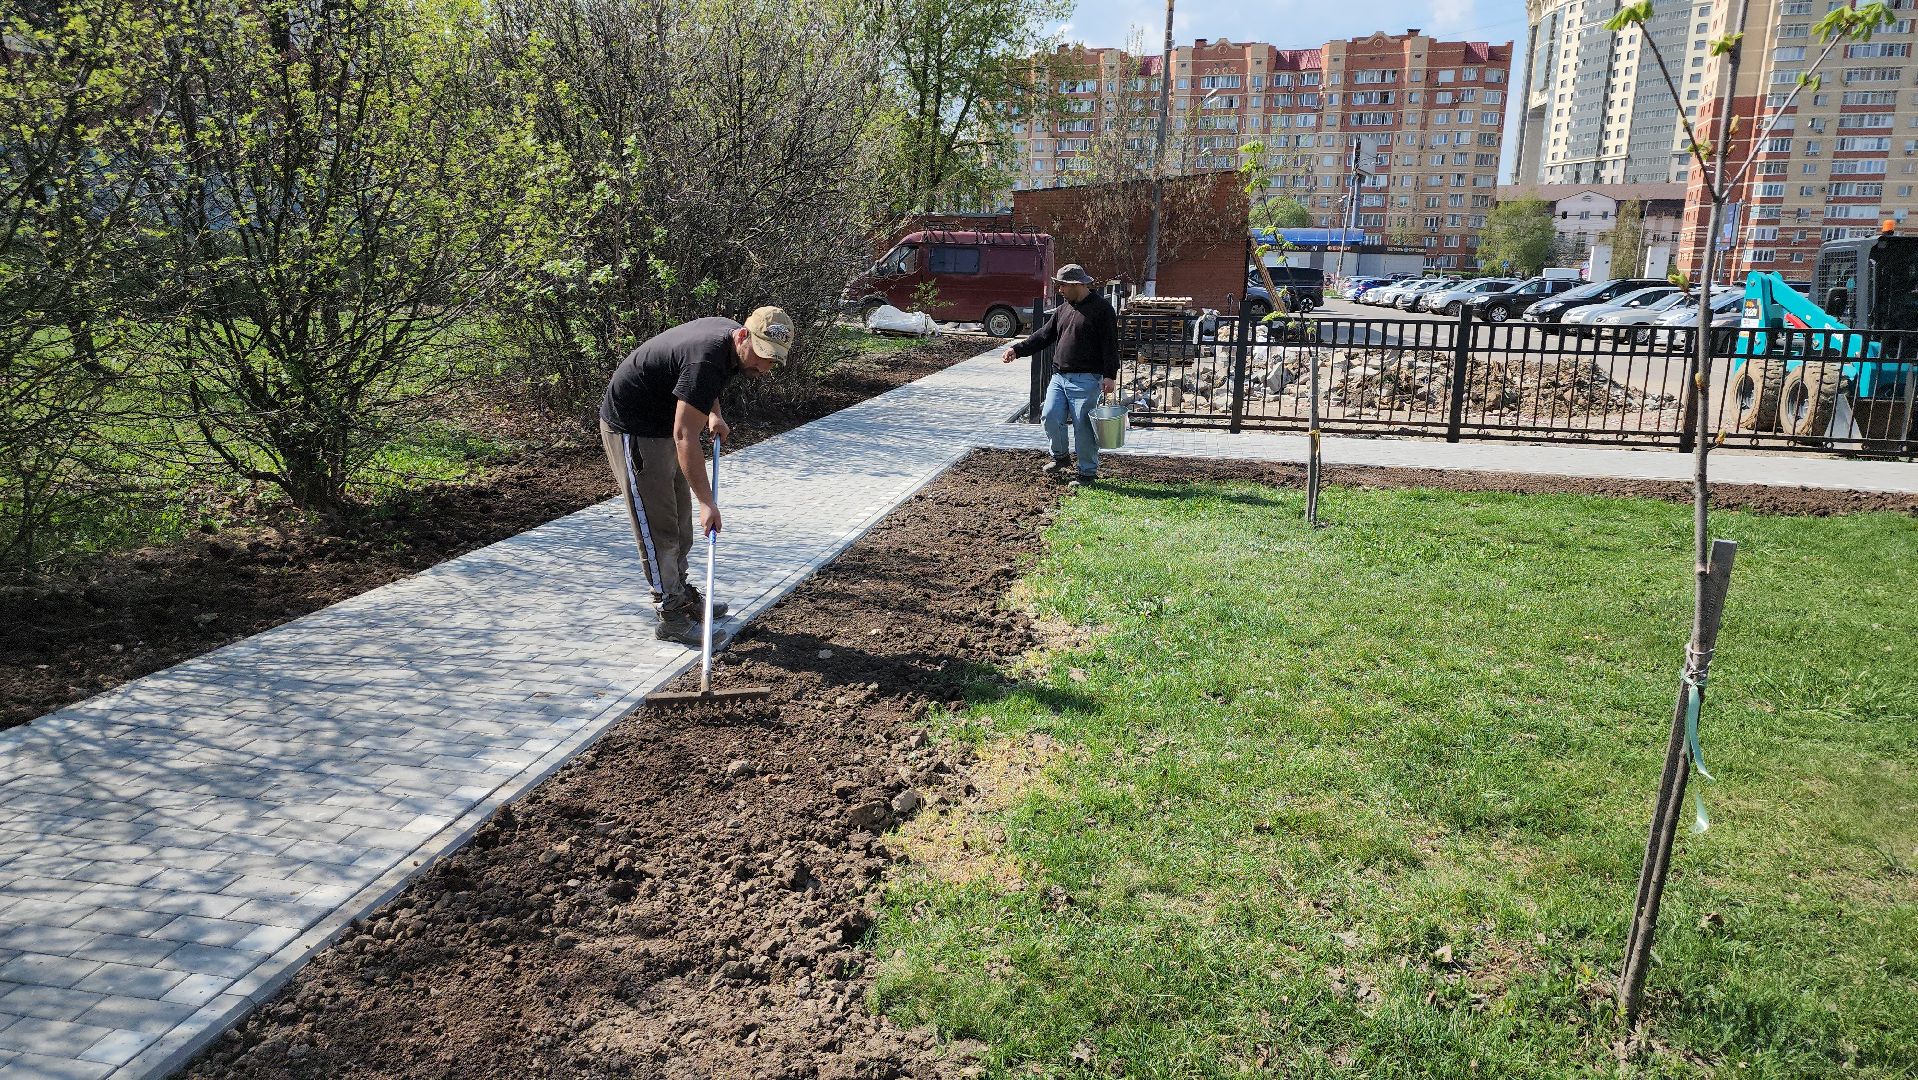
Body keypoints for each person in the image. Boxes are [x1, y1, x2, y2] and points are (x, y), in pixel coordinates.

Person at [600, 307, 793, 645]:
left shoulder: (728, 346)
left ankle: (682, 595)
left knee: (680, 520)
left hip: (662, 423)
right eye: (762, 356)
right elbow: (685, 436)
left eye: (773, 360)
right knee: (659, 528)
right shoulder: (708, 355)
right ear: (744, 336)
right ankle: (671, 615)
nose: (764, 367)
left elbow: (699, 386)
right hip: (633, 426)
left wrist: (713, 414)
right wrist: (708, 502)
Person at [1001, 264, 1119, 485]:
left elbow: (1110, 344)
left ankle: (1087, 473)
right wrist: (1017, 350)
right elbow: (1044, 335)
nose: (1060, 290)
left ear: (1077, 284)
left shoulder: (1102, 310)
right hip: (1059, 377)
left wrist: (1110, 375)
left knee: (1083, 428)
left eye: (1062, 285)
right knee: (1050, 416)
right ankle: (1061, 457)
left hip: (1087, 379)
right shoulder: (1064, 309)